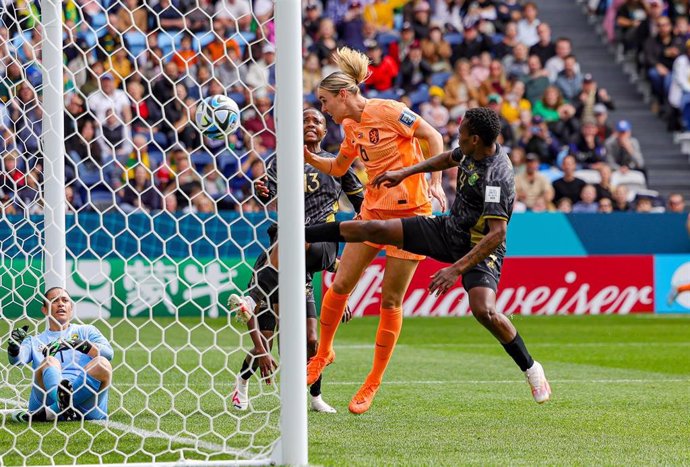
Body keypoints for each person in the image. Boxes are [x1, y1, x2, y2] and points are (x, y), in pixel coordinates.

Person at [304, 107, 551, 405]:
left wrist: (454, 271)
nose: (456, 138)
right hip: (447, 229)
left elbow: (497, 234)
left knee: (484, 310)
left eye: (461, 134)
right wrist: (405, 172)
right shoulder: (471, 150)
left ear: (475, 139)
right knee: (375, 229)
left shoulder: (497, 176)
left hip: (479, 247)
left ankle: (531, 368)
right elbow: (448, 158)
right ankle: (300, 233)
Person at [303, 47, 447, 414]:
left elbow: (433, 137)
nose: (324, 110)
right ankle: (323, 354)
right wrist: (304, 155)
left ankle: (373, 380)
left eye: (325, 102)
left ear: (344, 95)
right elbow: (338, 167)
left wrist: (436, 181)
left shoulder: (387, 109)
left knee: (389, 300)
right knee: (340, 285)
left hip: (412, 214)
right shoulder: (349, 126)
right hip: (371, 212)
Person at [228, 108, 364, 414]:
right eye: (305, 120)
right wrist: (263, 191)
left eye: (317, 121)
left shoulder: (338, 163)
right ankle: (242, 383)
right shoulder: (284, 159)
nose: (311, 124)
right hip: (283, 254)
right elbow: (268, 192)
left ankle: (315, 397)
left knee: (311, 340)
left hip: (317, 241)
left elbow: (362, 204)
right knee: (265, 337)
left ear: (325, 131)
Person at [7, 287, 113, 422]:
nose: (61, 304)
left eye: (65, 300)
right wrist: (14, 349)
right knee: (49, 361)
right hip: (46, 399)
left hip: (87, 405)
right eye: (54, 301)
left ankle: (55, 410)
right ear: (44, 310)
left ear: (71, 308)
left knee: (102, 363)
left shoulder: (87, 331)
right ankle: (59, 405)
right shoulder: (34, 340)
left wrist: (79, 344)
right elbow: (16, 361)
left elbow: (109, 353)